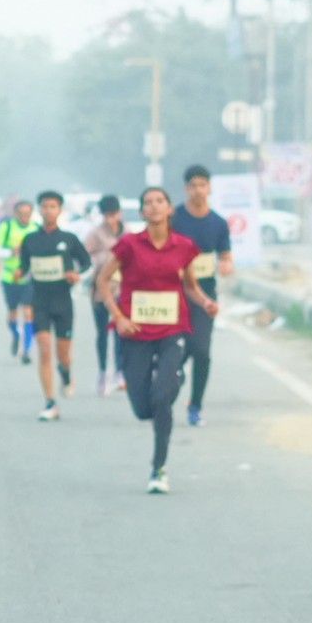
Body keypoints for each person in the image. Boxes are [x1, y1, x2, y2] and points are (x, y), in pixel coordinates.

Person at [96, 185, 219, 495]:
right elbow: (103, 280)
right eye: (148, 203)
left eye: (159, 201)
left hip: (171, 330)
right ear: (141, 211)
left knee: (162, 398)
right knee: (143, 407)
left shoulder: (183, 246)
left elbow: (190, 286)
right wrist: (118, 317)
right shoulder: (129, 245)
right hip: (135, 332)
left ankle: (158, 467)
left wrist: (205, 302)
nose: (153, 206)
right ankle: (169, 384)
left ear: (169, 208)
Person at [11, 190, 91, 421]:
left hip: (63, 301)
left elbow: (86, 263)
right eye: (44, 207)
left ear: (60, 210)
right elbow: (24, 265)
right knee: (44, 349)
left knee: (63, 355)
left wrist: (76, 275)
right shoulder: (30, 240)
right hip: (40, 301)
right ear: (39, 210)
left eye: (52, 207)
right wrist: (19, 272)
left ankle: (66, 373)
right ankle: (50, 401)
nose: (48, 211)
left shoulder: (69, 239)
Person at [170, 164, 237, 427]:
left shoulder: (218, 223)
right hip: (174, 293)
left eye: (202, 185)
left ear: (209, 188)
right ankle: (171, 378)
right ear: (186, 189)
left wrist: (227, 265)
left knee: (202, 350)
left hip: (204, 295)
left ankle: (196, 404)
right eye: (193, 186)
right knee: (176, 349)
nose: (198, 190)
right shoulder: (174, 218)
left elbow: (225, 255)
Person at [81, 193, 128, 394]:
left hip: (123, 289)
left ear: (120, 213)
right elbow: (83, 256)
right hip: (101, 289)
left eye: (113, 214)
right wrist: (100, 260)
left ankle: (120, 372)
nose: (110, 219)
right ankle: (102, 371)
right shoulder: (96, 234)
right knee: (102, 332)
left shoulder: (128, 234)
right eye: (107, 215)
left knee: (120, 332)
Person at [0, 198, 38, 363]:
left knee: (28, 312)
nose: (24, 217)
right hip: (10, 277)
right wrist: (11, 252)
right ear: (15, 213)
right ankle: (16, 334)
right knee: (12, 313)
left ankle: (26, 350)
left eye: (27, 214)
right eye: (21, 213)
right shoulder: (7, 227)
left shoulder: (36, 229)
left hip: (29, 278)